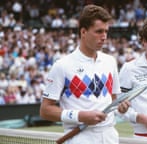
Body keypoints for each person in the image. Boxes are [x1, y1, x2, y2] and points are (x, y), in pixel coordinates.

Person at [40, 4, 130, 144]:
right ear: (83, 32)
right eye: (99, 31)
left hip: (110, 136)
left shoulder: (110, 61)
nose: (104, 37)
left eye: (106, 31)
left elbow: (114, 101)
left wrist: (121, 107)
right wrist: (80, 116)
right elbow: (45, 110)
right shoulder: (62, 65)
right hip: (79, 137)